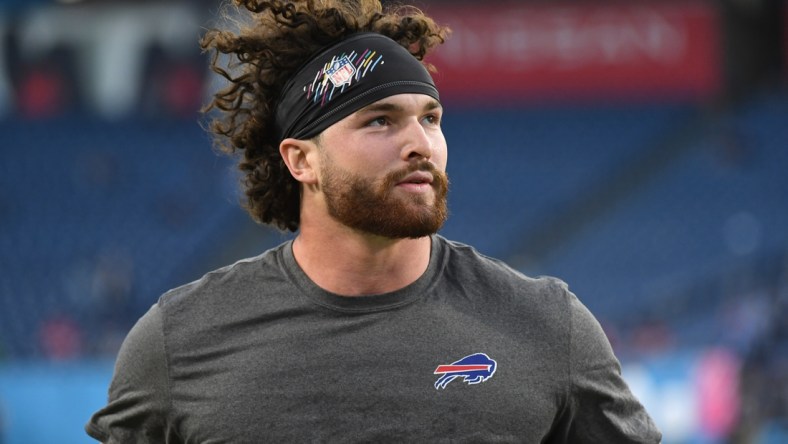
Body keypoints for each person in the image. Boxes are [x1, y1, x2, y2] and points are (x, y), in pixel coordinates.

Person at [86, 0, 662, 442]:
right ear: (301, 159)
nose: (421, 144)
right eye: (380, 121)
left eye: (430, 118)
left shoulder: (547, 325)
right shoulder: (178, 342)